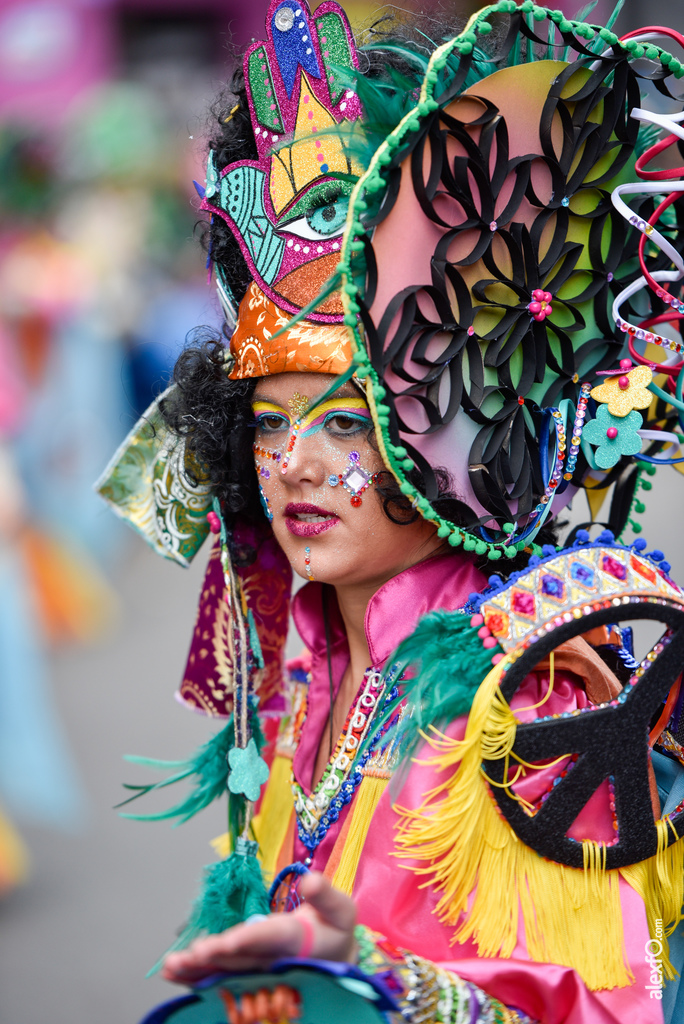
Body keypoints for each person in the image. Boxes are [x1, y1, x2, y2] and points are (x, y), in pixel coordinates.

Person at [97, 3, 684, 1022]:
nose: (294, 465)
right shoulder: (306, 659)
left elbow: (609, 1007)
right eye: (271, 424)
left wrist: (386, 981)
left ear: (453, 431)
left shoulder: (537, 704)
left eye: (345, 426)